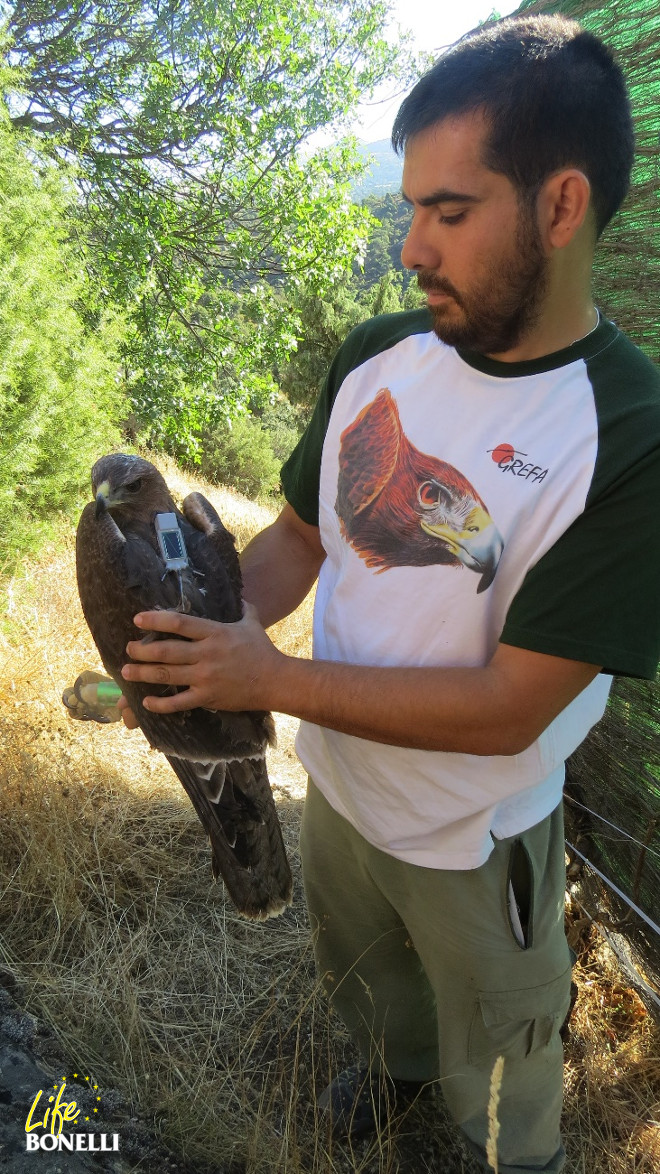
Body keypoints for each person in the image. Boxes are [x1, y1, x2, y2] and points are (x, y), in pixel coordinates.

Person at [118, 14, 660, 1173]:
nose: (410, 244)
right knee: (371, 985)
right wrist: (201, 651)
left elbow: (513, 706)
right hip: (342, 792)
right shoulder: (380, 354)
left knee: (504, 1065)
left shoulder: (629, 437)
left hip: (479, 835)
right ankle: (397, 1076)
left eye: (449, 212)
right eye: (410, 205)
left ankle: (500, 1143)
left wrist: (271, 677)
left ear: (561, 208)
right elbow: (302, 541)